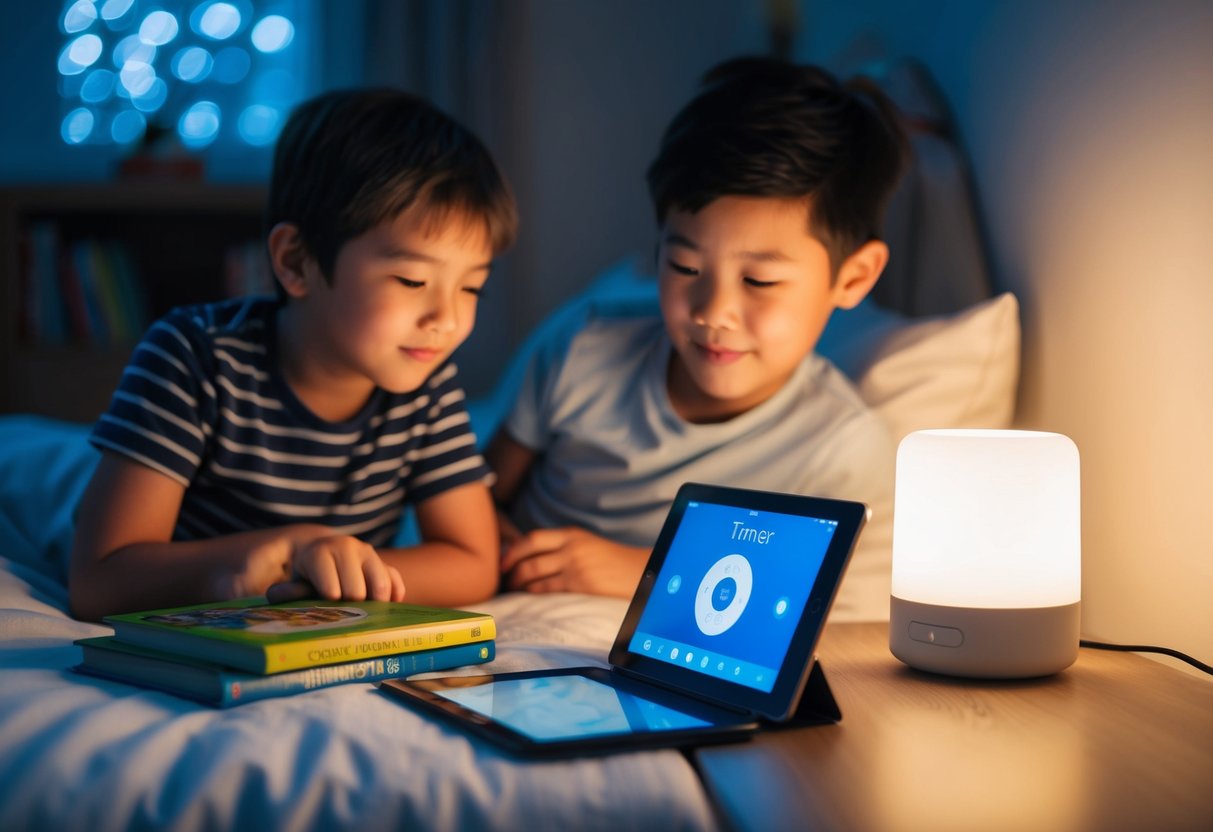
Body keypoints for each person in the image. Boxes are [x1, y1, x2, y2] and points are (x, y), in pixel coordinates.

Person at [69, 89, 517, 621]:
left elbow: (473, 561)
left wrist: (339, 576)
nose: (446, 319)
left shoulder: (425, 380)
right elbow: (97, 580)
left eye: (471, 288)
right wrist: (282, 552)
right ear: (296, 261)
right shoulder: (194, 355)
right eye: (412, 279)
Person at [486, 58, 907, 619]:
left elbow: (789, 609)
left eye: (758, 280)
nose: (713, 312)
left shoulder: (840, 452)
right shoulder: (585, 344)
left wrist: (644, 569)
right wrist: (499, 546)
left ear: (852, 277)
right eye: (684, 267)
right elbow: (473, 498)